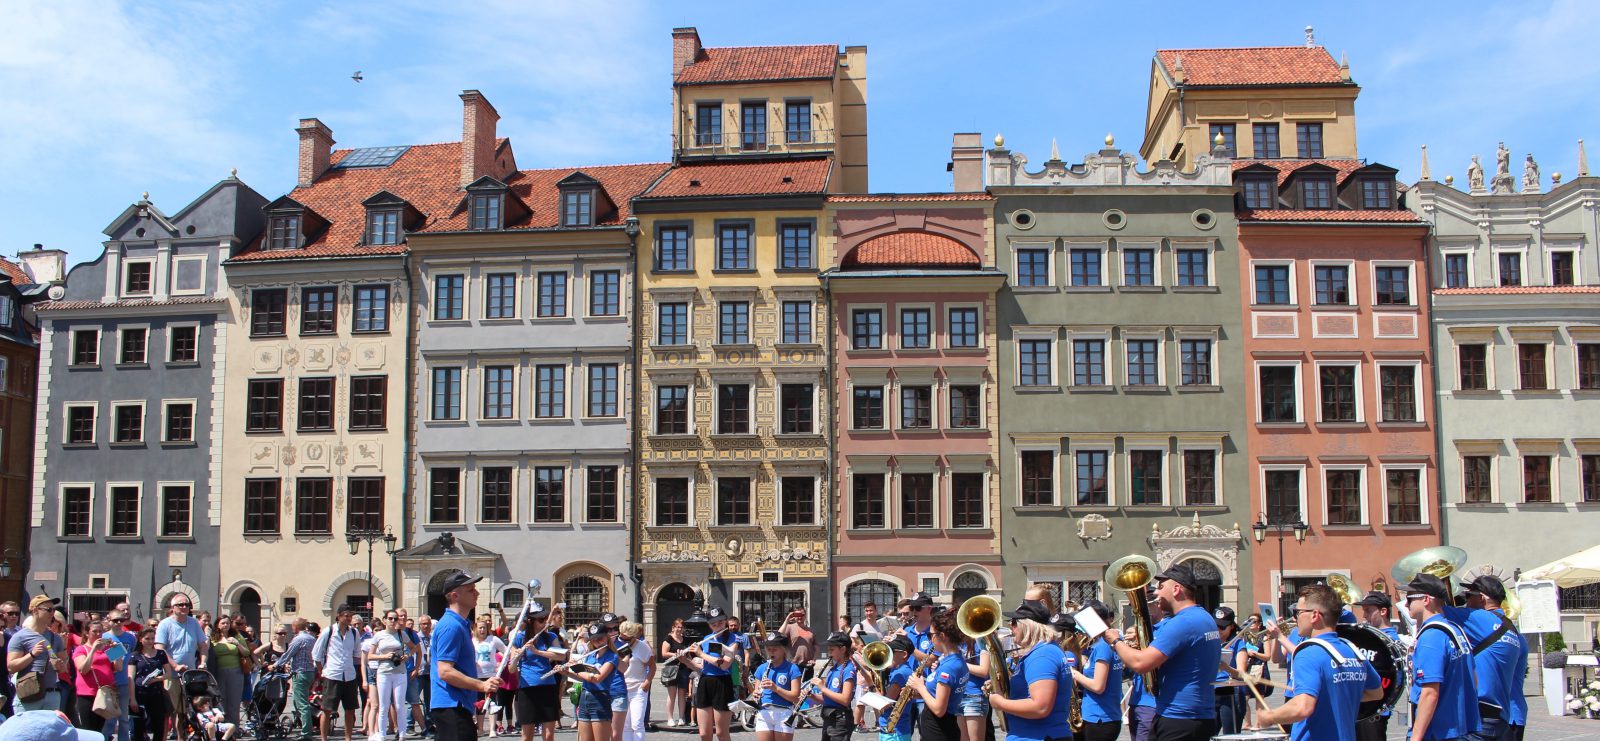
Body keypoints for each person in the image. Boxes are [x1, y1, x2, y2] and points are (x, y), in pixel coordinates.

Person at [1102, 563, 1221, 741]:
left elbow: (1140, 664)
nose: (1156, 593)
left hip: (1178, 718)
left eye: (1161, 587)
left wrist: (1116, 641)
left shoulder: (1183, 622)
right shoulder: (1205, 617)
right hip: (1198, 715)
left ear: (1176, 589)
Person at [1250, 584, 1384, 741]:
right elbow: (1377, 693)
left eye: (1298, 612)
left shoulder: (1308, 653)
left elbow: (1302, 707)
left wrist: (1269, 716)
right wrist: (1333, 697)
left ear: (1315, 615)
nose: (1295, 617)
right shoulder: (1352, 650)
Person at [1446, 575, 1527, 741]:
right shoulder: (1516, 634)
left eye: (1469, 596)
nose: (1466, 602)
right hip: (1507, 715)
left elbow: (1440, 611)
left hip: (1484, 714)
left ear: (1482, 598)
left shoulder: (1481, 620)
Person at [1405, 574, 1480, 741]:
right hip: (1459, 729)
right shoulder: (1456, 630)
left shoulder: (1431, 636)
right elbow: (1473, 679)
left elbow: (1430, 693)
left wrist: (1415, 738)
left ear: (1426, 599)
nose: (1405, 604)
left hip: (1438, 732)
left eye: (1409, 599)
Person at [430, 571, 501, 741]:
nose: (476, 593)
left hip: (457, 705)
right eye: (470, 590)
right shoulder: (451, 626)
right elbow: (445, 671)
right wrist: (481, 685)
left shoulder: (460, 625)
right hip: (451, 705)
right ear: (455, 595)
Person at [988, 600, 1070, 741]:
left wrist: (999, 702)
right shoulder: (1043, 651)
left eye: (1014, 622)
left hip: (1038, 736)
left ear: (1027, 625)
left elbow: (1040, 707)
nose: (1010, 626)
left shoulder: (1043, 655)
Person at [1068, 600, 1123, 741]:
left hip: (1099, 718)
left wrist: (1075, 673)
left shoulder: (1102, 646)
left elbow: (1098, 686)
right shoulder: (1109, 642)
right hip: (1105, 717)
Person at [907, 611, 965, 741]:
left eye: (930, 635)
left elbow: (939, 710)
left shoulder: (948, 667)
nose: (930, 639)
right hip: (940, 729)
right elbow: (943, 694)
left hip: (938, 731)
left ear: (942, 636)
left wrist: (920, 687)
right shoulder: (954, 660)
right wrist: (919, 693)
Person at [557, 624, 620, 741]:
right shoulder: (590, 655)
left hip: (600, 699)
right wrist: (567, 673)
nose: (597, 641)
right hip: (584, 698)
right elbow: (584, 678)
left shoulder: (612, 657)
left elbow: (596, 678)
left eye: (600, 638)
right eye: (594, 639)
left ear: (607, 637)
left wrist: (576, 667)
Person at [153, 595, 206, 731]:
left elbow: (203, 645)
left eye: (187, 605)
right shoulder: (165, 624)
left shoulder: (194, 623)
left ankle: (183, 737)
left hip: (189, 674)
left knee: (185, 711)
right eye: (180, 605)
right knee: (170, 711)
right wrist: (175, 665)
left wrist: (203, 662)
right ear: (173, 607)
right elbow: (160, 649)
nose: (184, 607)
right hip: (171, 674)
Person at [510, 605, 562, 741]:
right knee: (527, 736)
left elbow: (560, 656)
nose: (545, 622)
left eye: (545, 619)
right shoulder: (519, 638)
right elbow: (511, 669)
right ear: (530, 621)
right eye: (541, 620)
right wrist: (517, 655)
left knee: (549, 735)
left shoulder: (550, 636)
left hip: (547, 686)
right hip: (527, 689)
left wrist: (537, 651)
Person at [8, 596, 67, 715]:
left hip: (52, 694)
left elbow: (64, 668)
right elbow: (11, 667)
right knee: (27, 733)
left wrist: (60, 665)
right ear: (35, 610)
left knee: (50, 733)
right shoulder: (20, 637)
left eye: (53, 610)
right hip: (29, 694)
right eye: (49, 610)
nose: (52, 613)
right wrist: (32, 654)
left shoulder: (56, 638)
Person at [1353, 591, 1399, 741]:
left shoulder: (1392, 640)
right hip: (1360, 705)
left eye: (1368, 610)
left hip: (1376, 710)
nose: (1364, 615)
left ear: (1383, 611)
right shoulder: (1366, 636)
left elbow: (1393, 676)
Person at [312, 606, 363, 741]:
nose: (348, 618)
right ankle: (324, 738)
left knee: (350, 709)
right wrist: (321, 672)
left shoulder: (354, 633)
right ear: (339, 616)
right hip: (332, 675)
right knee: (327, 709)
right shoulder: (328, 631)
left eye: (350, 616)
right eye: (345, 615)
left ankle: (348, 738)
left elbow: (357, 653)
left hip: (349, 675)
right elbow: (316, 655)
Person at [686, 608, 736, 741]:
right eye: (713, 623)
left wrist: (701, 654)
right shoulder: (707, 638)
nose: (717, 625)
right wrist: (685, 660)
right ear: (709, 625)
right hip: (705, 681)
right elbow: (702, 667)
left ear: (725, 621)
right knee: (704, 733)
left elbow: (725, 664)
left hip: (722, 683)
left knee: (721, 733)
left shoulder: (732, 639)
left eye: (720, 622)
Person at [365, 611, 411, 741]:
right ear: (385, 620)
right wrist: (385, 656)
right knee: (384, 705)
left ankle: (402, 734)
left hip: (400, 672)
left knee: (400, 705)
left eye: (395, 618)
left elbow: (415, 648)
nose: (393, 621)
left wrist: (408, 655)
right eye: (390, 618)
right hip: (383, 672)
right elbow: (370, 655)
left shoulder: (401, 634)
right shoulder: (379, 635)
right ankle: (382, 735)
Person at [69, 619, 117, 734]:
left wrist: (117, 650)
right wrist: (93, 650)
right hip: (87, 694)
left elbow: (118, 667)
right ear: (86, 633)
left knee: (99, 729)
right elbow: (83, 669)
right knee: (88, 729)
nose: (98, 634)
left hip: (104, 693)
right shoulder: (81, 649)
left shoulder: (106, 649)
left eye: (100, 631)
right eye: (94, 631)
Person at [273, 619, 317, 741]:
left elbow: (288, 654)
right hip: (310, 672)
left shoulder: (298, 639)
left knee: (302, 704)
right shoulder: (312, 638)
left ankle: (306, 733)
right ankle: (305, 727)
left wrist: (276, 665)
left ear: (294, 627)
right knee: (301, 702)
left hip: (300, 673)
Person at [810, 632, 856, 741]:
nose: (829, 653)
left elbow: (845, 699)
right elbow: (828, 699)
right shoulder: (833, 669)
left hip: (840, 719)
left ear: (843, 649)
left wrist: (823, 688)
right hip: (829, 717)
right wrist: (812, 696)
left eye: (832, 650)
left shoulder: (848, 670)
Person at [129, 628, 171, 741]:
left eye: (153, 638)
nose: (150, 641)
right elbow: (131, 678)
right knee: (138, 725)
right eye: (147, 638)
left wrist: (156, 679)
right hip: (140, 693)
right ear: (140, 639)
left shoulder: (161, 654)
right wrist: (132, 699)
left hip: (156, 693)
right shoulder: (135, 656)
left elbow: (168, 674)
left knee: (158, 724)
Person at [1211, 607, 1248, 735]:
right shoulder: (1210, 643)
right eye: (1215, 626)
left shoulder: (1238, 644)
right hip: (1211, 693)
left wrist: (1226, 667)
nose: (1218, 630)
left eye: (1222, 627)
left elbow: (1242, 673)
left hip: (1231, 694)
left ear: (1231, 626)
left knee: (1230, 735)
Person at [875, 636, 917, 741]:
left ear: (904, 654)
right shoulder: (902, 670)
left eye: (892, 652)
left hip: (894, 730)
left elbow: (885, 703)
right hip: (898, 729)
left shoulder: (900, 674)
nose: (888, 655)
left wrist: (871, 684)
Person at [468, 621, 505, 736]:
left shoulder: (493, 639)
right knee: (479, 703)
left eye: (484, 628)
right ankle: (480, 728)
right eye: (480, 628)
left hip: (491, 675)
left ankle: (492, 729)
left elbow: (507, 651)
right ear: (475, 629)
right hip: (477, 676)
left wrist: (501, 664)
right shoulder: (472, 641)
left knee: (492, 702)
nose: (482, 630)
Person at [209, 615, 247, 726]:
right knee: (221, 702)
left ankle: (234, 731)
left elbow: (246, 652)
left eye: (227, 623)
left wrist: (237, 643)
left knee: (234, 703)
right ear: (217, 625)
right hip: (219, 672)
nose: (226, 625)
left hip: (236, 672)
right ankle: (222, 729)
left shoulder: (236, 636)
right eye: (223, 623)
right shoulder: (212, 638)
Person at [616, 622, 651, 741]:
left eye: (627, 639)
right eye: (622, 638)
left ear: (634, 637)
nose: (624, 641)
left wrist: (647, 681)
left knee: (637, 723)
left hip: (638, 688)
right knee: (625, 724)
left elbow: (652, 666)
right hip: (622, 687)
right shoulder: (616, 645)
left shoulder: (642, 646)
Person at [955, 622, 990, 741]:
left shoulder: (981, 642)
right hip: (959, 695)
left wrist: (959, 663)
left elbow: (984, 671)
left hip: (974, 695)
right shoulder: (958, 643)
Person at [657, 619, 690, 728]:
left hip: (683, 668)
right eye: (678, 627)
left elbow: (688, 653)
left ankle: (681, 717)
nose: (680, 629)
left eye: (681, 627)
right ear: (673, 628)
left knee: (682, 694)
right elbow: (664, 653)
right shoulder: (668, 639)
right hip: (671, 668)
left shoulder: (685, 639)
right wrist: (676, 655)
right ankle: (670, 718)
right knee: (671, 695)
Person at [897, 595, 935, 665]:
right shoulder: (906, 630)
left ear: (929, 608)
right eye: (912, 608)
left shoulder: (935, 633)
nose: (914, 611)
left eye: (918, 608)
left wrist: (907, 643)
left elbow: (929, 662)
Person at [777, 612, 814, 681]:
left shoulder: (810, 630)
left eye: (802, 615)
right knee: (793, 687)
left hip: (808, 666)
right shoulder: (790, 627)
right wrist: (787, 620)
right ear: (794, 616)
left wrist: (814, 659)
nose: (800, 617)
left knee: (806, 689)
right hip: (794, 664)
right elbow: (778, 635)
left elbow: (816, 646)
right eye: (797, 615)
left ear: (805, 616)